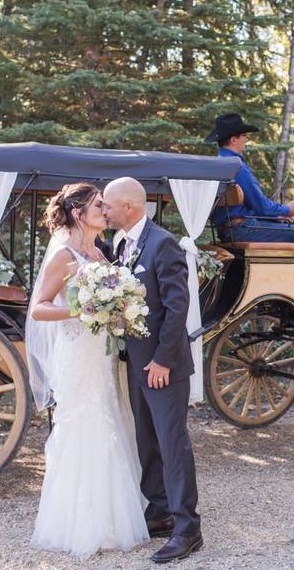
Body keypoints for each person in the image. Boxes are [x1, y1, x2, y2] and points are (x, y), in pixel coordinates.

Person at [25, 182, 149, 558]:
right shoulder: (63, 256)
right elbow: (40, 308)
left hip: (102, 354)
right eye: (98, 205)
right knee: (83, 425)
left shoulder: (99, 252)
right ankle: (80, 524)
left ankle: (112, 518)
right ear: (79, 213)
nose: (105, 211)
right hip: (77, 352)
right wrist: (83, 311)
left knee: (111, 419)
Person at [102, 177, 203, 564]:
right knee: (148, 440)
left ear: (129, 207)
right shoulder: (121, 244)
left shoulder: (163, 244)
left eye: (108, 205)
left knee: (173, 444)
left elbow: (178, 310)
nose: (105, 211)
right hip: (137, 363)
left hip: (164, 365)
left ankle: (188, 528)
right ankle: (159, 511)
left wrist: (162, 359)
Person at [207, 112, 294, 304]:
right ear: (233, 140)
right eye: (243, 137)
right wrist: (286, 210)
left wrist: (280, 218)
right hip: (242, 229)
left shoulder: (217, 165)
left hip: (230, 229)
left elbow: (250, 207)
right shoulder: (236, 167)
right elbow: (261, 206)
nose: (246, 140)